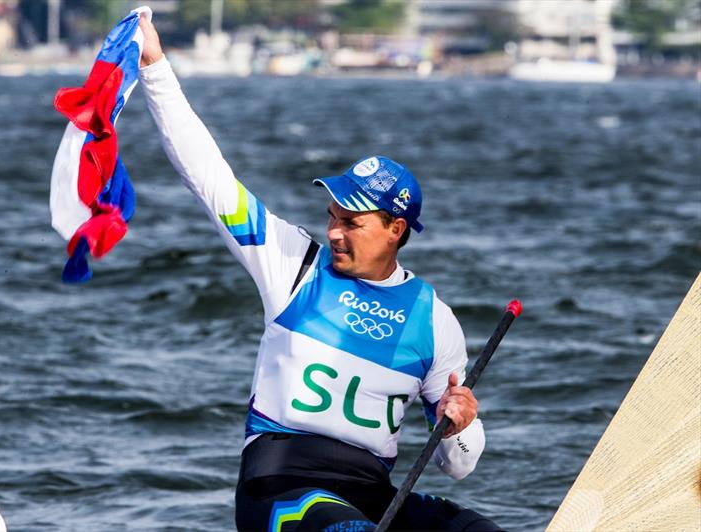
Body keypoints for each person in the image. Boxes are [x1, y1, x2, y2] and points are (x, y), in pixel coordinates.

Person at [137, 18, 502, 532]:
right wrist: (155, 67)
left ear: (395, 228)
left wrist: (456, 427)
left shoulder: (434, 321)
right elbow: (210, 179)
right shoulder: (293, 264)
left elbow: (459, 466)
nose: (333, 232)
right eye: (332, 217)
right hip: (282, 490)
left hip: (371, 495)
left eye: (350, 222)